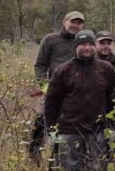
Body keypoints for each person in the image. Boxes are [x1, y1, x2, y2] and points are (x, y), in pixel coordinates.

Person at [43, 30, 115, 171]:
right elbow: (51, 103)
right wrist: (52, 130)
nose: (87, 48)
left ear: (94, 46)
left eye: (90, 44)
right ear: (76, 46)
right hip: (69, 129)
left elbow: (112, 99)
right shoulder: (62, 70)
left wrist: (111, 125)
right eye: (83, 44)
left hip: (97, 129)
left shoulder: (106, 68)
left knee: (97, 170)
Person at [30, 11, 86, 156]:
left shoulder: (84, 42)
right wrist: (45, 86)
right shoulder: (50, 39)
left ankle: (59, 157)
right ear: (64, 22)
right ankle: (34, 155)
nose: (75, 25)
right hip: (54, 90)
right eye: (72, 22)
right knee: (42, 122)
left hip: (76, 93)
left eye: (79, 23)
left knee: (69, 127)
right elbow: (40, 65)